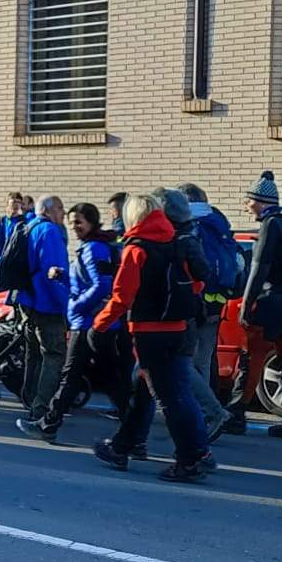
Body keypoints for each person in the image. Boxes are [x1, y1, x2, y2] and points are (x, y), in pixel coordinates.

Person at [89, 190, 211, 483]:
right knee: (148, 390)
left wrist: (100, 325)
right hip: (179, 328)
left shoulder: (136, 249)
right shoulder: (176, 240)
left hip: (150, 333)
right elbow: (198, 280)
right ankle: (123, 446)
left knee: (170, 398)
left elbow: (122, 296)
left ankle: (189, 458)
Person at [22, 202, 126, 443]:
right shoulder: (92, 246)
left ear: (92, 222)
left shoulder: (94, 248)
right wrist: (64, 276)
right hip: (95, 322)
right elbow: (89, 282)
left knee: (78, 375)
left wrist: (76, 305)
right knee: (93, 377)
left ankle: (49, 424)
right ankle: (49, 423)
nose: (74, 227)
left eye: (79, 222)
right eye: (71, 223)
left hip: (90, 322)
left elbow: (102, 285)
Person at [232, 173, 282, 441]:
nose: (246, 205)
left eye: (249, 200)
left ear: (259, 201)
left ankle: (235, 413)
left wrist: (247, 302)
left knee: (253, 356)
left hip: (270, 300)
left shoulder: (271, 225)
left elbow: (259, 268)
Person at [162, 188, 229, 441]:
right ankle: (205, 413)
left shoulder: (188, 228)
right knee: (202, 360)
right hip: (216, 302)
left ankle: (207, 414)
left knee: (184, 364)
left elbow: (192, 270)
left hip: (194, 303)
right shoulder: (218, 221)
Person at [13, 194, 71, 426]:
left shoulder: (28, 227)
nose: (63, 214)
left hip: (27, 300)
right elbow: (54, 273)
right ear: (48, 210)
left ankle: (29, 398)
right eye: (60, 208)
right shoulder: (50, 232)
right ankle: (41, 407)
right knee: (54, 354)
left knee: (33, 352)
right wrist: (65, 305)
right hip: (47, 302)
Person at [0, 192, 34, 270]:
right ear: (8, 203)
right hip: (3, 264)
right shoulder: (1, 222)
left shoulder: (25, 221)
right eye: (14, 202)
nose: (16, 205)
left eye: (19, 202)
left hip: (19, 265)